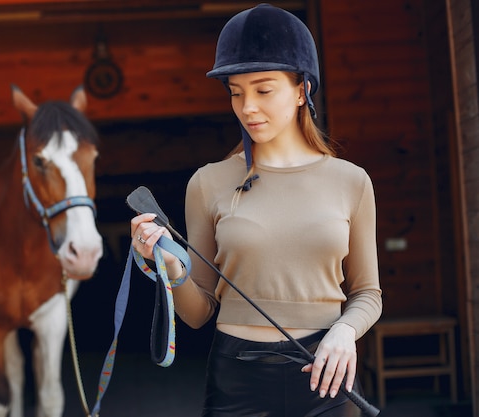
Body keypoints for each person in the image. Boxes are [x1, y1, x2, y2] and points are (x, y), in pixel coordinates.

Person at [130, 4, 382, 416]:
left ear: (302, 89)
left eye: (263, 90)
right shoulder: (207, 183)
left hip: (328, 376)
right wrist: (171, 268)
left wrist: (344, 331)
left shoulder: (351, 181)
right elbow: (198, 313)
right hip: (236, 384)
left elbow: (367, 293)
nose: (247, 107)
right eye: (235, 91)